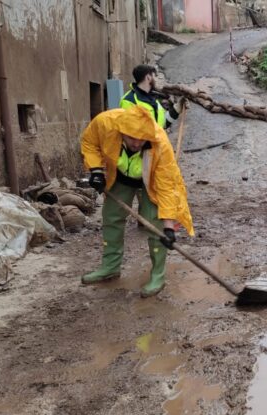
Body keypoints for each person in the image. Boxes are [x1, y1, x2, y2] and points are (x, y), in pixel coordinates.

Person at [80, 105, 194, 297]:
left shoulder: (160, 144)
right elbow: (89, 143)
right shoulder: (105, 123)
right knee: (112, 219)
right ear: (122, 131)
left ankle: (158, 275)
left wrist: (168, 227)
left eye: (142, 139)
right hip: (120, 177)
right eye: (132, 138)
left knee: (154, 223)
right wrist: (96, 170)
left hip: (149, 181)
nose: (137, 143)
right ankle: (110, 267)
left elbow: (166, 188)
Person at [120, 64, 182, 130]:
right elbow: (130, 131)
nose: (156, 80)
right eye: (155, 76)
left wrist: (177, 109)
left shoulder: (153, 98)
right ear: (148, 77)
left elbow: (162, 124)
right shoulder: (128, 100)